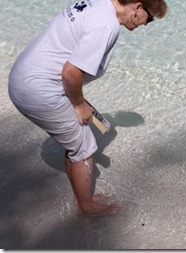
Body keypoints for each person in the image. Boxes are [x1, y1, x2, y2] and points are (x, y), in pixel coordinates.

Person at [8, 0, 168, 216]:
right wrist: (79, 103)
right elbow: (71, 73)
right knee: (84, 147)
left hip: (23, 77)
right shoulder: (106, 24)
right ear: (138, 7)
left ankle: (81, 197)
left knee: (78, 140)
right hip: (37, 89)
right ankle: (86, 207)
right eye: (149, 19)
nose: (146, 24)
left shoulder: (99, 3)